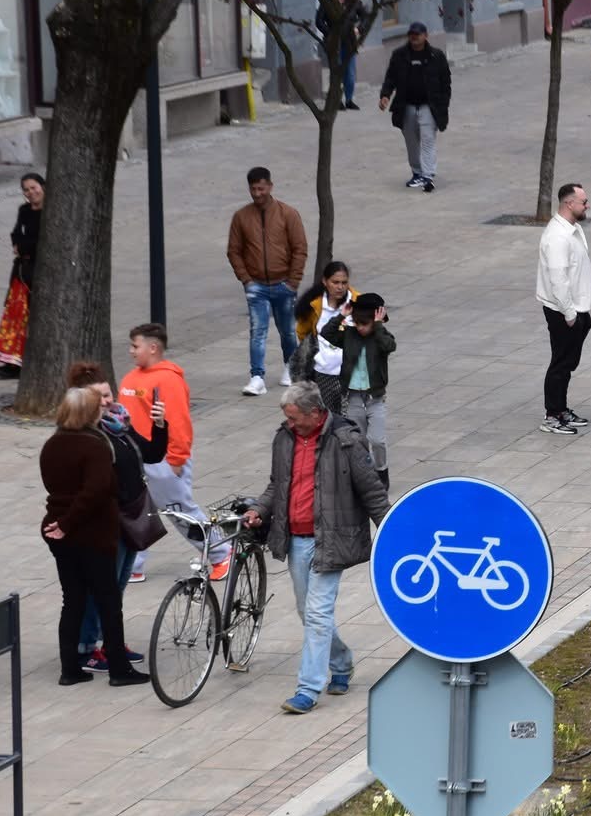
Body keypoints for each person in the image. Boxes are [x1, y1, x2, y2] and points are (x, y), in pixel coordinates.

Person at [242, 381, 391, 715]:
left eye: (294, 418)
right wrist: (259, 510)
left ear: (314, 412)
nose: (289, 423)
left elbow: (373, 493)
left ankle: (307, 689)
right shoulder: (284, 438)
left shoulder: (346, 440)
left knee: (318, 613)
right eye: (287, 418)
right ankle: (341, 662)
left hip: (333, 539)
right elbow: (276, 484)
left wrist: (393, 534)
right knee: (306, 612)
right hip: (296, 539)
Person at [41, 386, 148, 687]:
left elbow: (58, 488)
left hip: (58, 531)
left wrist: (62, 523)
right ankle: (118, 669)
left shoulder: (52, 444)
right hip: (91, 533)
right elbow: (96, 490)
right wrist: (69, 522)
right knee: (108, 600)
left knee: (72, 598)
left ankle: (70, 668)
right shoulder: (95, 445)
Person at [64, 359, 163, 671]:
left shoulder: (120, 422)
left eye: (108, 394)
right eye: (99, 397)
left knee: (116, 586)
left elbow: (151, 454)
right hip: (107, 523)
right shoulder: (86, 435)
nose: (108, 401)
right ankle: (88, 647)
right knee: (100, 589)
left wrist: (160, 425)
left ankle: (111, 643)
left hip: (130, 517)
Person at [119, 323, 223, 583]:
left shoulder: (167, 380)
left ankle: (222, 554)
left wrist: (176, 459)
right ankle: (134, 564)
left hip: (164, 460)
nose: (131, 351)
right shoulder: (131, 378)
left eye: (135, 345)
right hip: (137, 459)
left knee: (180, 512)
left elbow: (178, 422)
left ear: (152, 348)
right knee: (135, 510)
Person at [227, 167, 309, 397]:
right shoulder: (241, 217)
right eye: (253, 189)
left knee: (287, 331)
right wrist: (246, 279)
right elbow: (234, 251)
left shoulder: (287, 214)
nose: (257, 193)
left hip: (283, 282)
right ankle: (257, 377)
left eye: (261, 188)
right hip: (257, 285)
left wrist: (293, 281)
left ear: (270, 186)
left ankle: (290, 368)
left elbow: (299, 248)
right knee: (258, 331)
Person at [535, 183, 591, 436]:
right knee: (560, 362)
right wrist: (569, 314)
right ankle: (552, 414)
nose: (587, 205)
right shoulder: (557, 237)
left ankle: (561, 409)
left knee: (568, 362)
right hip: (563, 311)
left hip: (577, 308)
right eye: (583, 201)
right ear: (569, 204)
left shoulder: (573, 229)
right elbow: (558, 279)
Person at [320, 293, 393, 482]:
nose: (360, 327)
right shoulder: (349, 335)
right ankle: (363, 474)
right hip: (353, 397)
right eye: (357, 323)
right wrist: (341, 316)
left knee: (377, 440)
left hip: (374, 398)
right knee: (357, 440)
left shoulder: (380, 336)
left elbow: (389, 345)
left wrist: (377, 326)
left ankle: (381, 470)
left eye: (365, 323)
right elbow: (327, 333)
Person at [377, 21, 450, 193]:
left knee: (427, 139)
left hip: (429, 106)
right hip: (406, 105)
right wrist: (385, 95)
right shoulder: (399, 55)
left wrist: (443, 104)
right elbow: (390, 78)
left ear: (425, 36)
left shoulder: (436, 56)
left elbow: (445, 83)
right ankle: (417, 172)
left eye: (417, 34)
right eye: (411, 35)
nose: (414, 38)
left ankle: (428, 175)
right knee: (411, 141)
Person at [0, 172, 42, 378]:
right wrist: (18, 244)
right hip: (21, 271)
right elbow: (15, 234)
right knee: (15, 317)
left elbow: (39, 242)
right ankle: (12, 362)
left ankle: (23, 363)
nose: (30, 192)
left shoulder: (51, 212)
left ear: (43, 186)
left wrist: (23, 246)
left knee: (30, 319)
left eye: (33, 187)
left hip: (37, 272)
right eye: (26, 190)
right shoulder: (25, 210)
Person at [292, 260, 355, 411]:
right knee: (326, 417)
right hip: (323, 374)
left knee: (349, 420)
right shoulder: (314, 306)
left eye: (344, 282)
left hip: (351, 374)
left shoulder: (357, 302)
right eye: (335, 282)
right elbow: (302, 333)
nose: (340, 287)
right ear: (325, 282)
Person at [314, 0, 362, 110]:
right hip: (334, 43)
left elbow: (365, 17)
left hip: (350, 42)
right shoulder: (327, 4)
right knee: (336, 73)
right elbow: (319, 21)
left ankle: (349, 99)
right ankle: (337, 100)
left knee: (350, 74)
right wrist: (330, 33)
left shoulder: (353, 3)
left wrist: (359, 29)